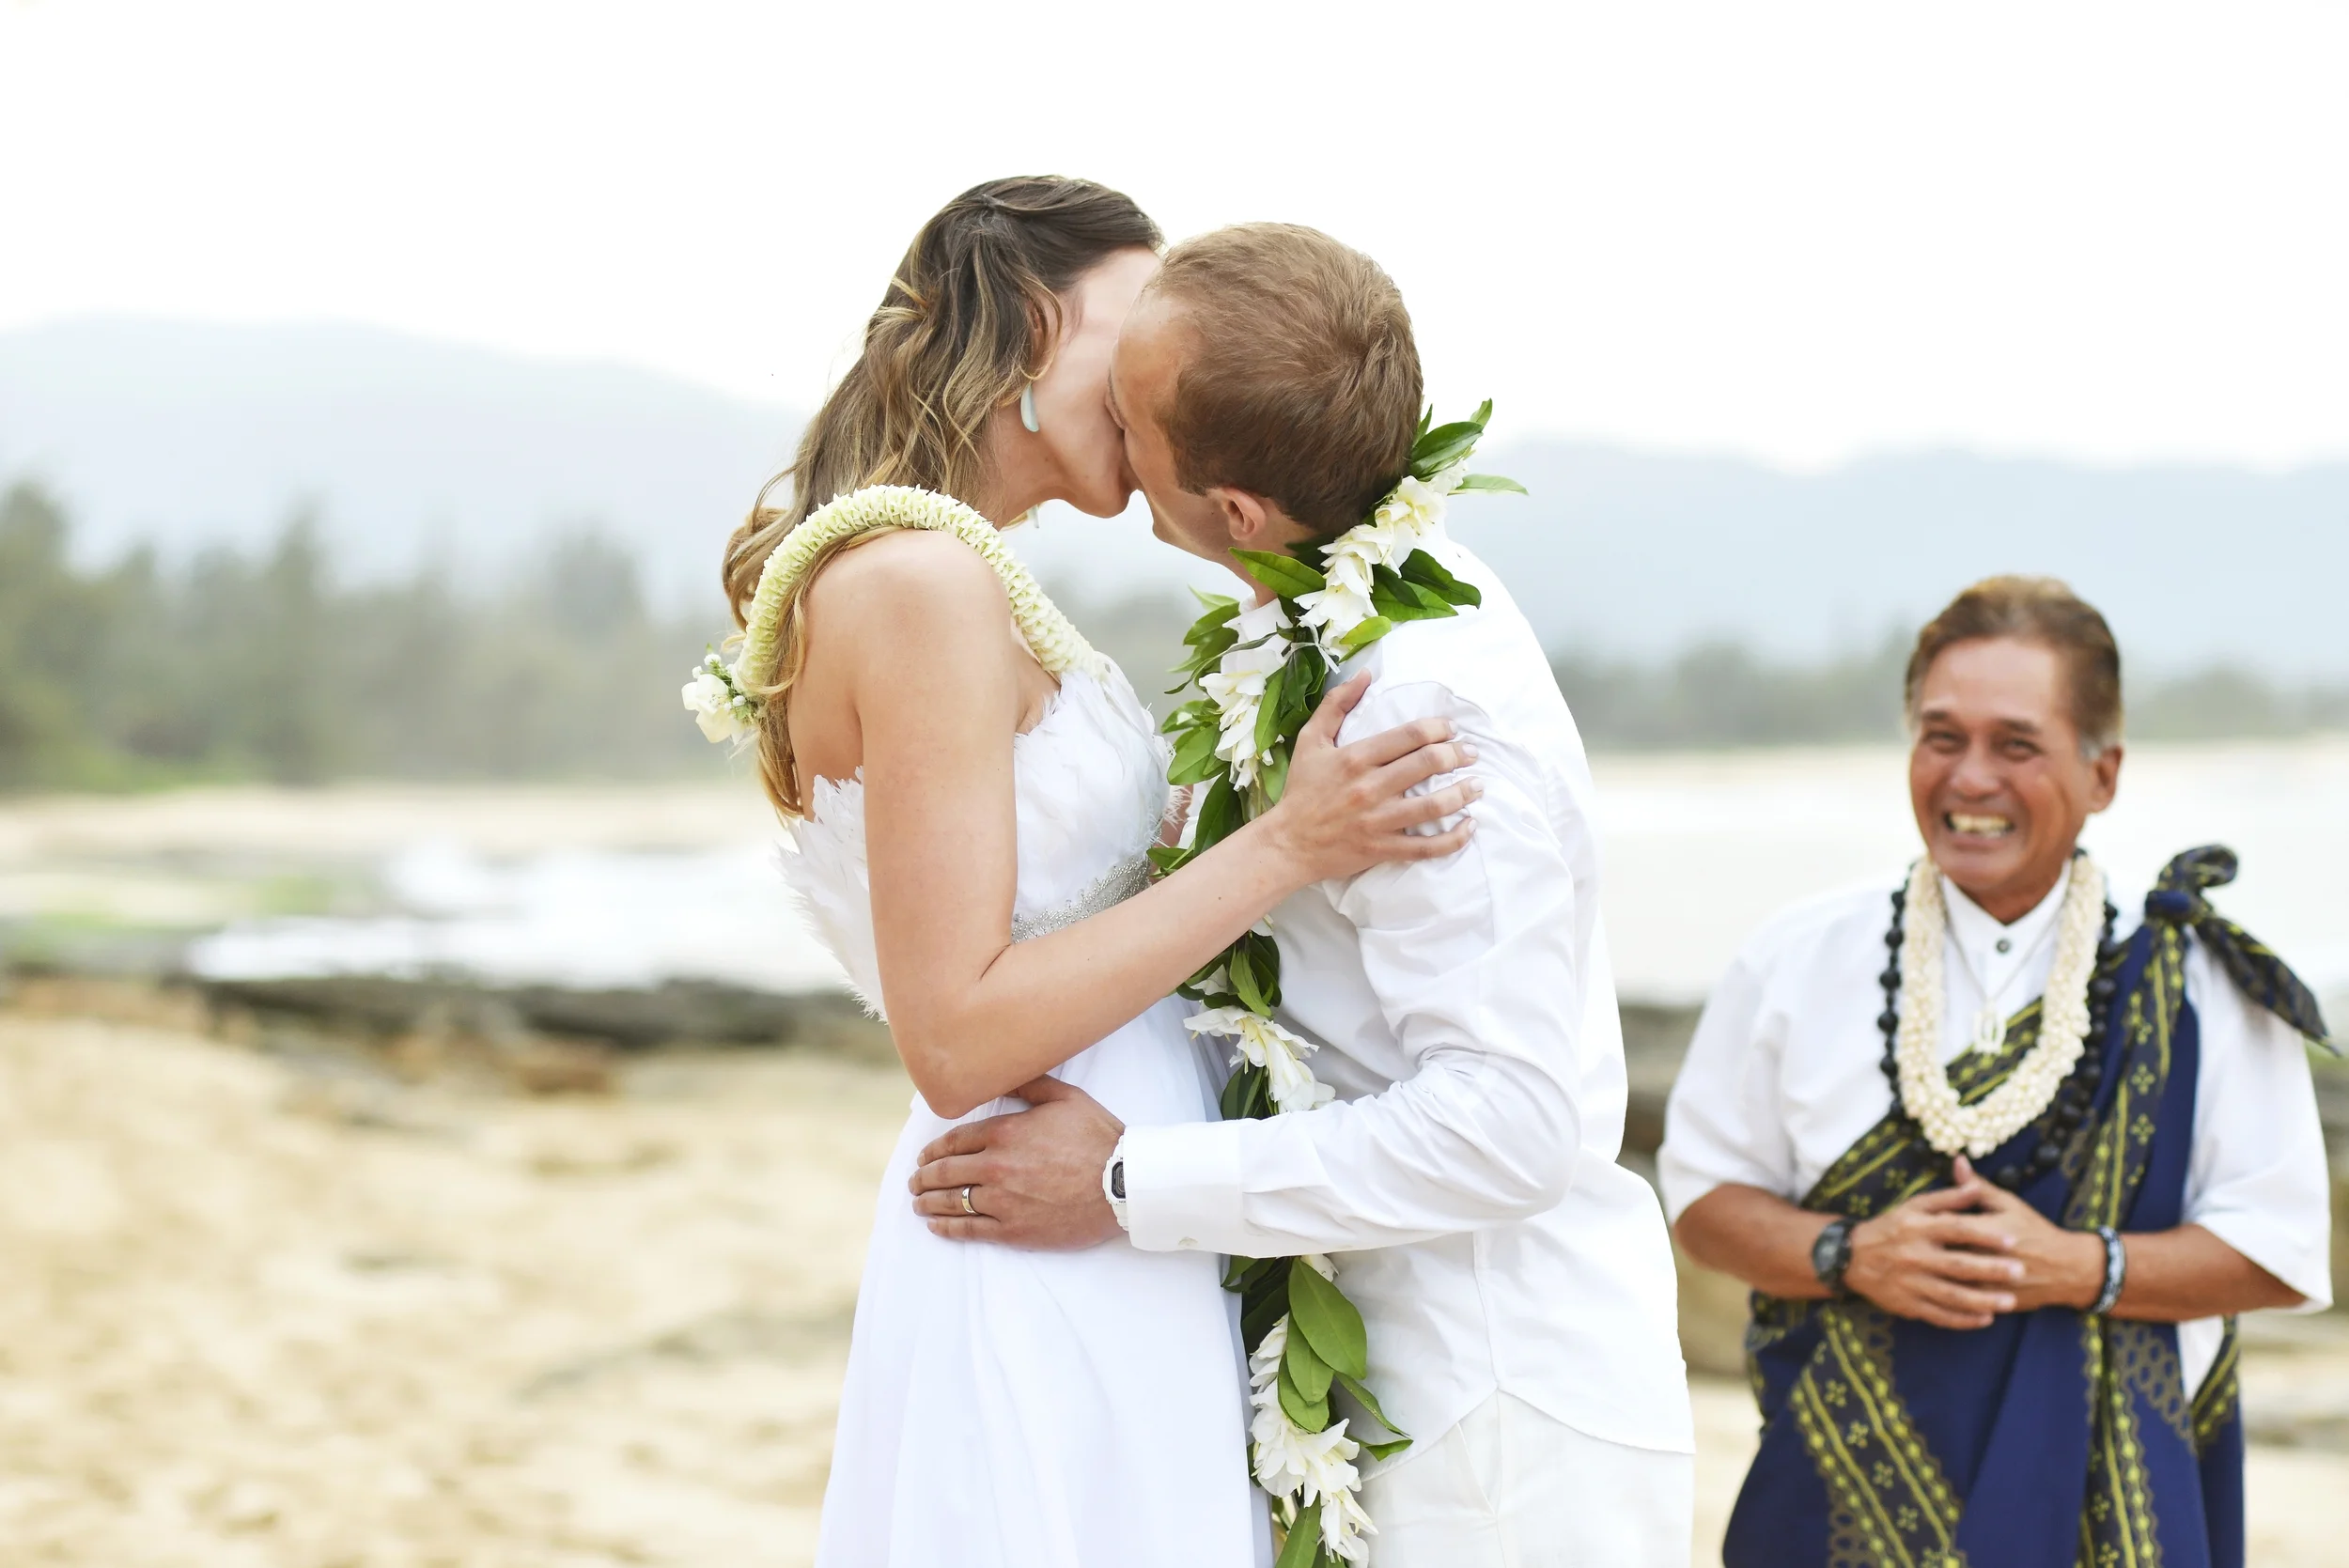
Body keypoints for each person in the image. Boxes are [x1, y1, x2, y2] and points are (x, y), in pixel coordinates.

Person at [703, 179, 1483, 1568]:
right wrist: (1288, 844)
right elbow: (956, 1032)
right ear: (1027, 331)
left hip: (1102, 1195)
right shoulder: (921, 579)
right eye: (1131, 335)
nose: (1153, 383)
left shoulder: (950, 572)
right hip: (1044, 1212)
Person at [907, 223, 1696, 1567]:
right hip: (1387, 1381)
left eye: (1132, 410)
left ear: (1239, 515)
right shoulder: (1326, 618)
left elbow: (1512, 1128)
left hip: (1494, 1415)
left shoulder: (1420, 717)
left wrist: (1122, 1179)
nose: (1103, 408)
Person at [1659, 576, 2334, 1568]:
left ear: (2102, 773)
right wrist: (1850, 1251)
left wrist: (2077, 1266)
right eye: (1941, 736)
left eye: (2015, 744)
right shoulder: (1795, 961)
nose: (1969, 778)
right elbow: (1701, 1197)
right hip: (1833, 1504)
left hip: (2116, 1521)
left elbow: (2277, 1252)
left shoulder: (2197, 986)